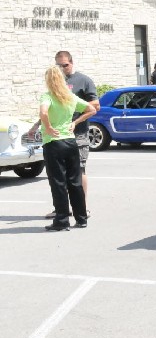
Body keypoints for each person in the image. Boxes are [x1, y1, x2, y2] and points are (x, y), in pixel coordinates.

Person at [33, 51, 99, 219]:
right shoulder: (56, 86)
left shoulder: (83, 80)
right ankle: (63, 210)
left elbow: (95, 106)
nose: (62, 69)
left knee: (78, 172)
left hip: (79, 134)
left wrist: (75, 120)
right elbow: (48, 111)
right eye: (58, 66)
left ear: (71, 63)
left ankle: (82, 209)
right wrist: (38, 125)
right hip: (59, 136)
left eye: (65, 65)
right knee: (60, 176)